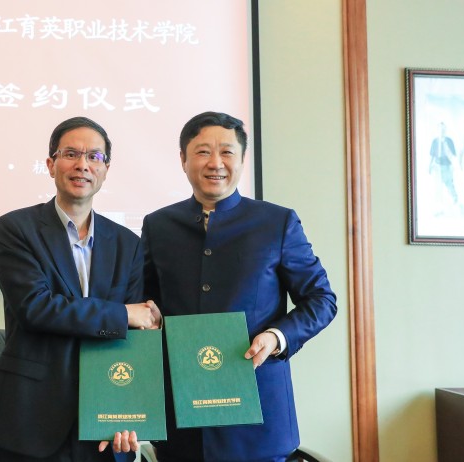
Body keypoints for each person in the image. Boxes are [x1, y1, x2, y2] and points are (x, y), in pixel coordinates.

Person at [141, 111, 337, 461]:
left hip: (258, 417)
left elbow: (321, 300)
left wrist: (277, 337)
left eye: (227, 152)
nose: (215, 163)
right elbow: (146, 303)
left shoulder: (277, 222)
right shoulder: (159, 225)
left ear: (243, 159)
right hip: (182, 415)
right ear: (183, 159)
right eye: (202, 152)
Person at [0, 116, 162, 462]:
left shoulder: (128, 244)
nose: (83, 165)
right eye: (71, 154)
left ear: (106, 169)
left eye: (94, 157)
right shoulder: (15, 228)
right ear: (51, 165)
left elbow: (134, 339)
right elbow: (36, 308)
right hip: (32, 417)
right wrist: (122, 314)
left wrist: (128, 410)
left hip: (106, 422)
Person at [429, 121, 458, 207]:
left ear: (445, 130)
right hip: (437, 166)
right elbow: (432, 155)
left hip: (447, 166)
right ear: (437, 129)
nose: (441, 130)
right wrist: (429, 166)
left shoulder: (449, 141)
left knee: (449, 184)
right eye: (440, 128)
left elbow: (453, 155)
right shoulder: (434, 141)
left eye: (443, 129)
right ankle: (439, 205)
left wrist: (454, 166)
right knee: (438, 186)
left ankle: (455, 199)